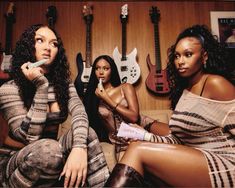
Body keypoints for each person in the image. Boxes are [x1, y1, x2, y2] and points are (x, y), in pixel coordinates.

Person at [105, 24, 235, 187]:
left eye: (188, 55)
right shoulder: (185, 91)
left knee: (137, 150)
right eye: (176, 56)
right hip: (201, 158)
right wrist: (143, 135)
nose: (180, 61)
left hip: (226, 165)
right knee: (137, 147)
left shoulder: (215, 84)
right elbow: (177, 140)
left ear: (204, 57)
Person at [0, 24, 109, 187]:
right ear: (28, 46)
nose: (48, 48)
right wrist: (41, 86)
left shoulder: (63, 84)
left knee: (87, 133)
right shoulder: (9, 88)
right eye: (40, 40)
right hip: (15, 163)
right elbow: (30, 137)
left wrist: (79, 147)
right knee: (50, 149)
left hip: (53, 153)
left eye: (54, 43)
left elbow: (79, 112)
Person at [83, 55, 168, 162]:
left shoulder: (125, 87)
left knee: (174, 135)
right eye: (97, 68)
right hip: (122, 138)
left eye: (106, 68)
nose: (101, 72)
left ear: (112, 70)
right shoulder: (92, 97)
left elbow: (134, 117)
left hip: (143, 125)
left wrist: (106, 98)